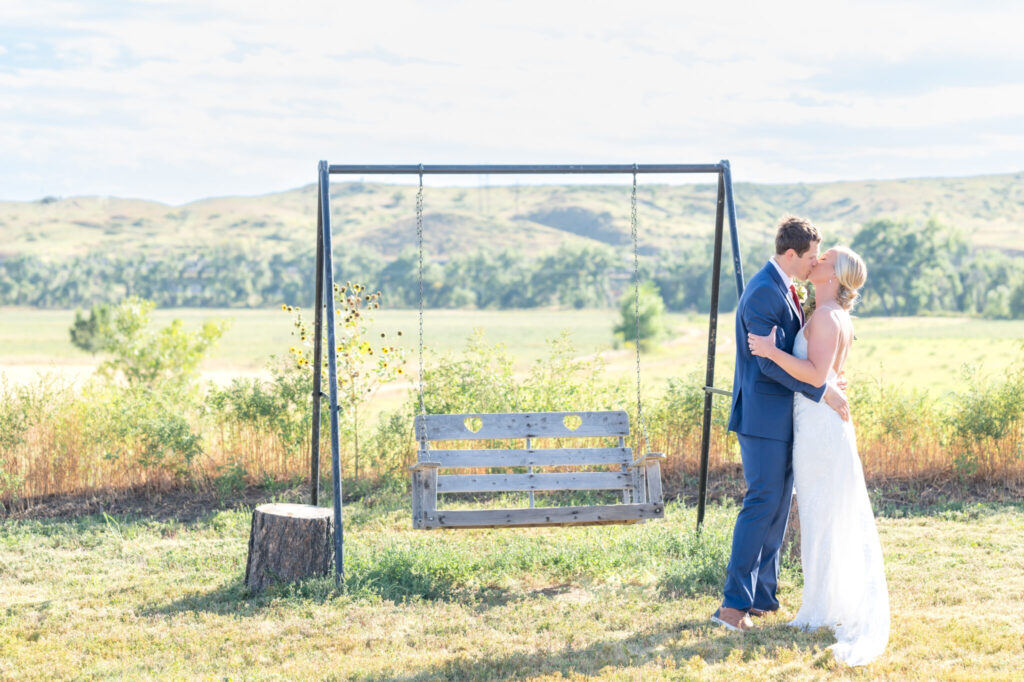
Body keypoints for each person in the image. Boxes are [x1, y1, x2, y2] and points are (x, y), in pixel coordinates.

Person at [746, 245, 889, 666]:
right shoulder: (828, 314)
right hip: (817, 421)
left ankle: (821, 608)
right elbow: (828, 375)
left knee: (820, 513)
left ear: (833, 275)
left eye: (824, 259)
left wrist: (771, 352)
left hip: (820, 426)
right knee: (821, 513)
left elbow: (815, 375)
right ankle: (824, 602)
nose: (816, 261)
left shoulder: (826, 317)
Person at [712, 216, 850, 634]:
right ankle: (732, 608)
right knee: (761, 505)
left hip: (784, 419)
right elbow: (766, 365)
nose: (813, 264)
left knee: (777, 508)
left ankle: (762, 598)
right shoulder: (761, 293)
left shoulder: (787, 287)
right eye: (810, 257)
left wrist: (823, 379)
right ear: (790, 254)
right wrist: (820, 390)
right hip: (762, 418)